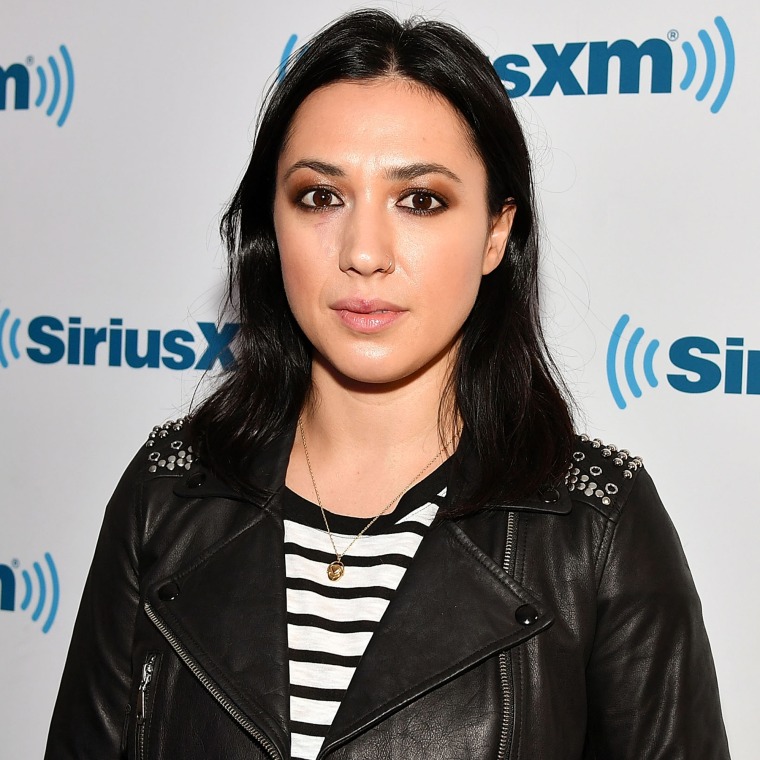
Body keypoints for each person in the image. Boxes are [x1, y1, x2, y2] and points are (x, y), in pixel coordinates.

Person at [44, 8, 730, 760]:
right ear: (272, 228)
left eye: (421, 200)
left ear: (497, 232)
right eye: (320, 197)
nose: (363, 252)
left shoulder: (598, 527)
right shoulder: (165, 495)